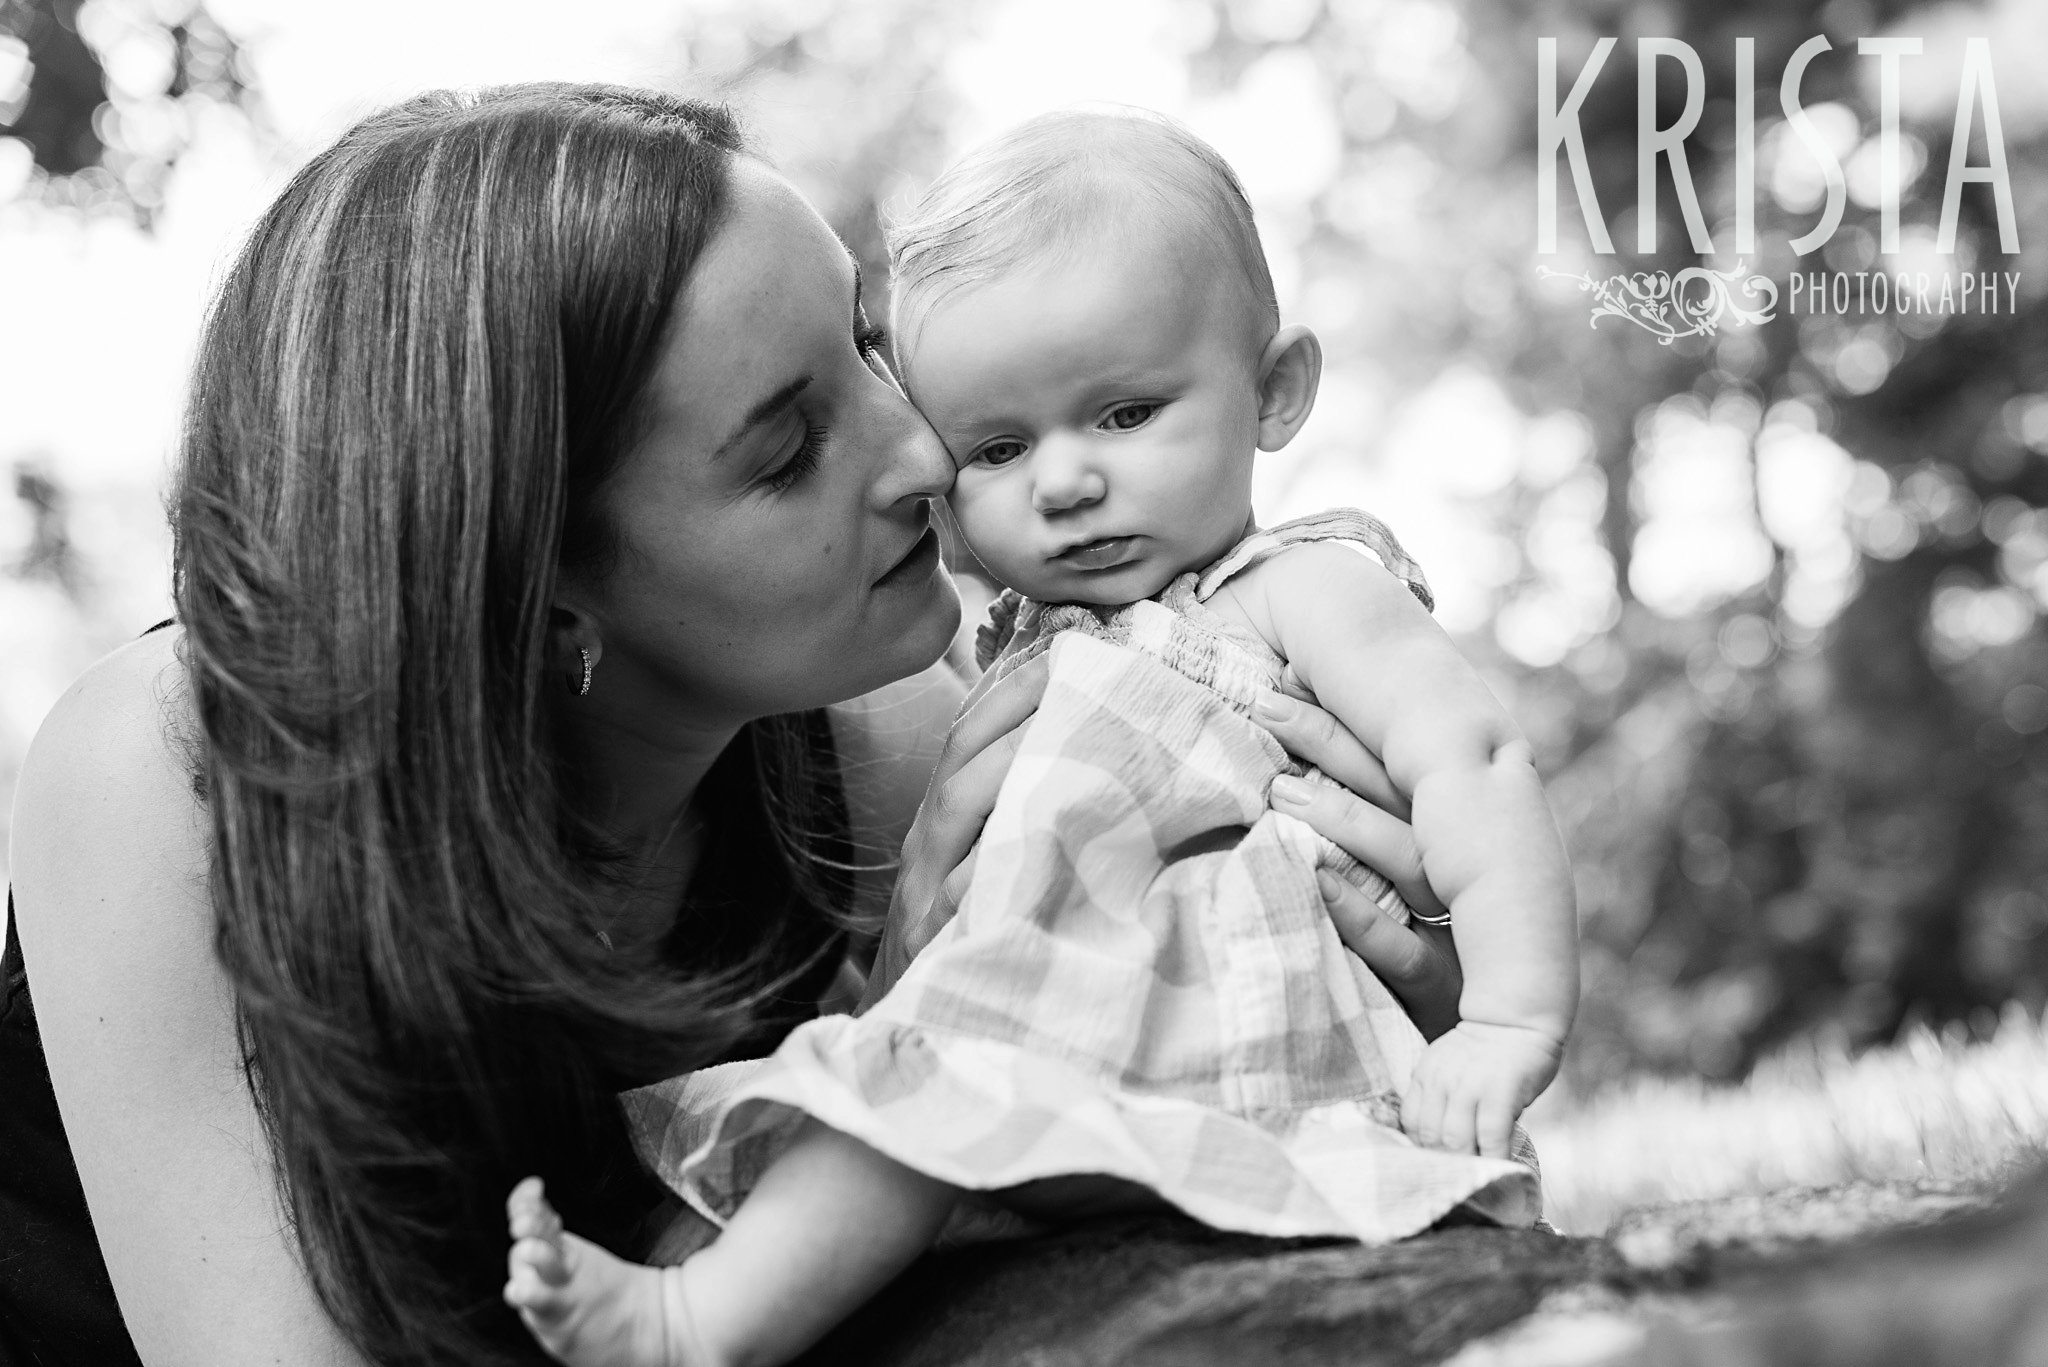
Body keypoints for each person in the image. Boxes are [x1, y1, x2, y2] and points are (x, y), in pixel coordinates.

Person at [1, 86, 1461, 1367]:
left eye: (869, 351)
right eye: (787, 449)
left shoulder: (895, 736)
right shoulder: (171, 768)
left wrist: (1364, 992)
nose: (922, 456)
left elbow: (1037, 1125)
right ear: (541, 585)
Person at [501, 109, 1576, 1367]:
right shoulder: (1010, 655)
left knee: (937, 1089)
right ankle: (697, 1315)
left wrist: (1504, 1018)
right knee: (898, 1100)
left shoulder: (1298, 587)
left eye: (1122, 414)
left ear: (1274, 391)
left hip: (1247, 1030)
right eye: (999, 447)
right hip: (1072, 1053)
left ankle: (702, 1311)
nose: (1062, 481)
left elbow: (1475, 762)